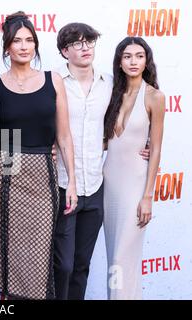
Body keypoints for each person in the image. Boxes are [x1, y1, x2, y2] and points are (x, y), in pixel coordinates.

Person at [53, 23, 151, 300]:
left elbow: (127, 120)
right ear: (64, 51)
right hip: (63, 184)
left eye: (90, 42)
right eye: (77, 43)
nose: (85, 47)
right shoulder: (53, 81)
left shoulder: (110, 84)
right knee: (63, 264)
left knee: (82, 264)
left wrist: (142, 145)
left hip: (96, 186)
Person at [0, 12, 77, 300]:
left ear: (36, 44)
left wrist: (71, 181)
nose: (24, 46)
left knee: (38, 254)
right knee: (6, 252)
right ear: (6, 47)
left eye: (29, 40)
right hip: (6, 177)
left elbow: (63, 136)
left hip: (43, 179)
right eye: (16, 41)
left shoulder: (54, 80)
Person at [103, 37, 164, 300]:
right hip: (109, 186)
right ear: (119, 61)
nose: (133, 61)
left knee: (121, 256)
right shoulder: (111, 93)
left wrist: (148, 196)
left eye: (139, 56)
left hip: (136, 186)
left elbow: (157, 148)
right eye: (127, 56)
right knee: (115, 262)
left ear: (146, 60)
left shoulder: (155, 97)